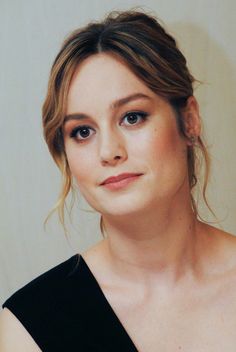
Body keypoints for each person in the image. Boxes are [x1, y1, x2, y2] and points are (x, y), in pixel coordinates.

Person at [1, 9, 236, 352]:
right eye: (82, 132)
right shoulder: (27, 329)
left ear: (189, 120)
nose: (109, 151)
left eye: (132, 117)